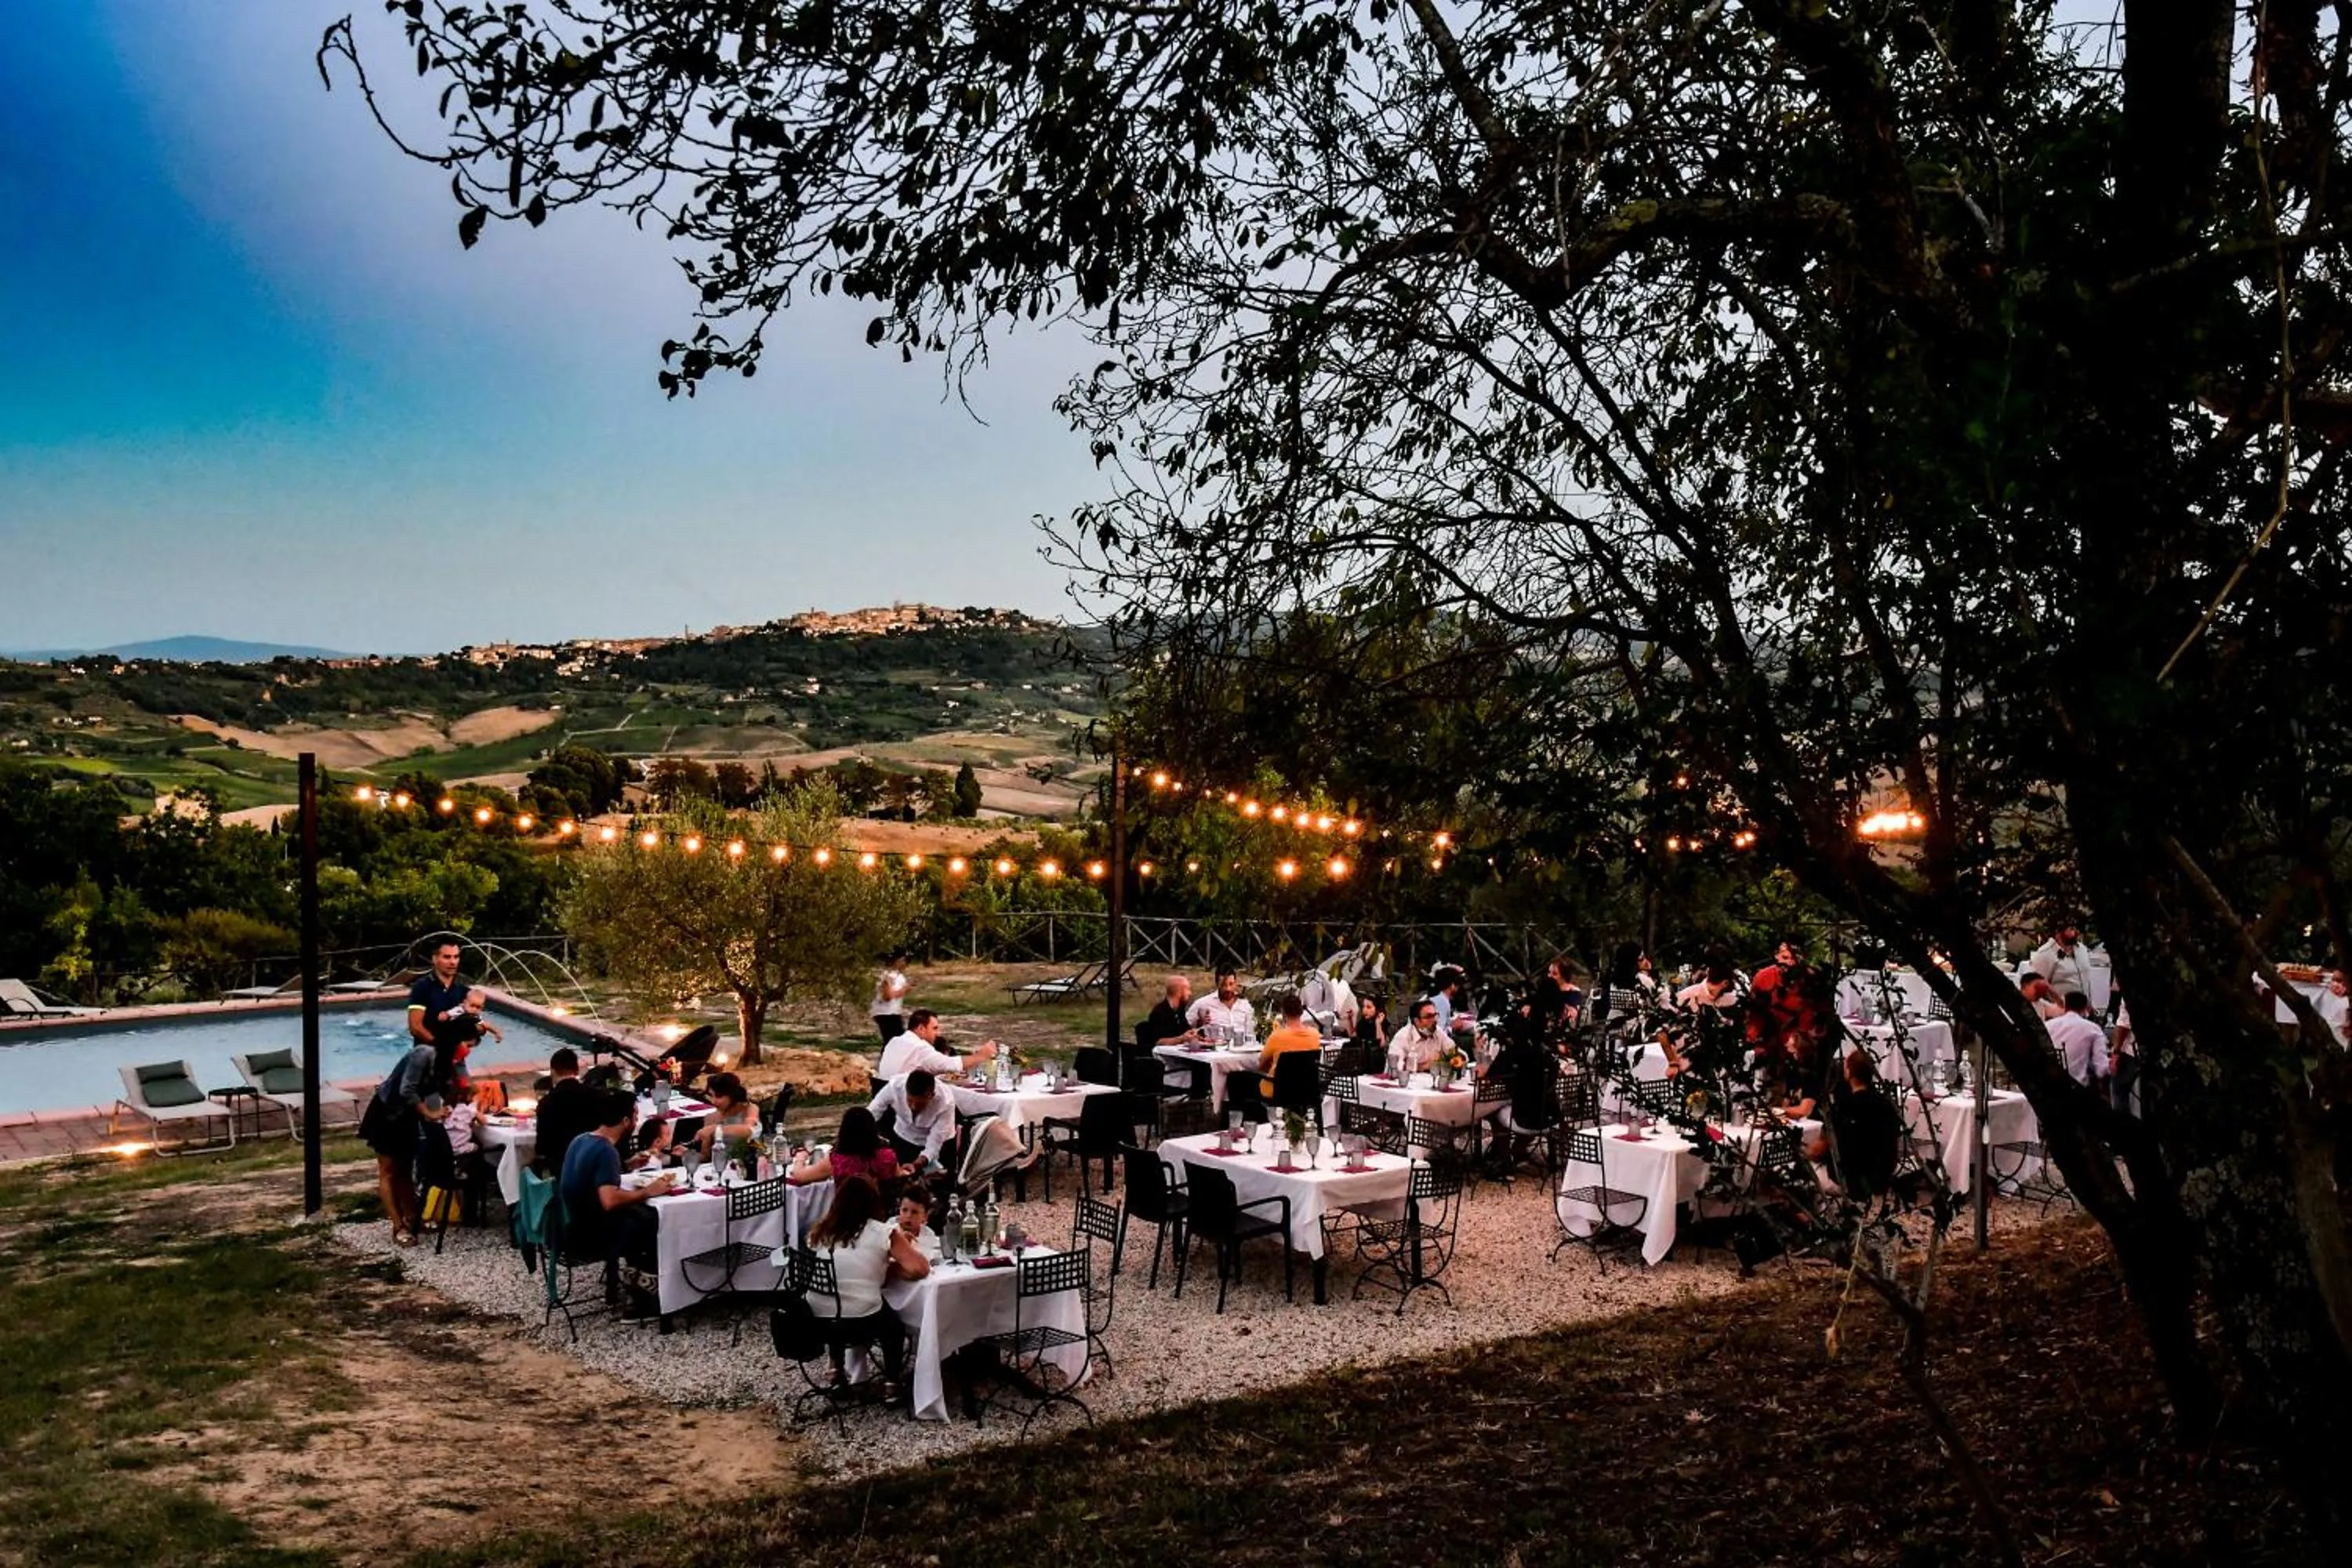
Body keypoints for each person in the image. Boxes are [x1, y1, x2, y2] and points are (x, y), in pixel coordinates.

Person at [805, 1176, 927, 1393]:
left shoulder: (824, 1230)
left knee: (838, 1295)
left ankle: (836, 1371)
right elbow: (919, 1268)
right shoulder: (881, 1232)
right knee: (894, 1325)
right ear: (873, 1201)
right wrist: (888, 1268)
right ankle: (891, 1382)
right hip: (861, 1319)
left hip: (818, 1318)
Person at [560, 1090, 672, 1315]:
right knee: (654, 1222)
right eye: (636, 1116)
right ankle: (643, 1299)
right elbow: (610, 1201)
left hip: (569, 1226)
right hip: (590, 1236)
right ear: (625, 1121)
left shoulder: (580, 1140)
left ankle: (633, 1286)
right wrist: (649, 1191)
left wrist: (627, 1165)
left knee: (641, 1215)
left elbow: (590, 1178)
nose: (637, 1121)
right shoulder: (606, 1151)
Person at [359, 1025, 459, 1246]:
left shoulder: (443, 1064)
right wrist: (429, 1112)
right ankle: (398, 1226)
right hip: (387, 1114)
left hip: (408, 1117)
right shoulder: (422, 1054)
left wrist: (440, 1112)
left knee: (405, 1168)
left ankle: (413, 1217)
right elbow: (407, 1090)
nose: (466, 1051)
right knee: (389, 1171)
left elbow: (432, 1091)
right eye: (466, 1044)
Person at [1806, 1050, 1903, 1202]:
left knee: (1801, 1168)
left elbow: (1817, 1150)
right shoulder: (1886, 1105)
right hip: (1880, 1179)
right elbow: (1895, 1145)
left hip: (1848, 1182)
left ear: (1849, 1072)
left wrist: (1803, 1151)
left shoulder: (1843, 1109)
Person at [866, 1069, 956, 1176]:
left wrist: (917, 1164)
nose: (913, 1107)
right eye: (909, 1101)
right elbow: (872, 1112)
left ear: (931, 1095)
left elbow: (934, 1144)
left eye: (919, 1104)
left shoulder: (946, 1101)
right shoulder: (895, 1087)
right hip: (904, 1136)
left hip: (941, 1144)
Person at [789, 1105, 902, 1186]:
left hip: (848, 1215)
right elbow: (899, 1176)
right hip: (882, 1213)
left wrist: (800, 1158)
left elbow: (801, 1176)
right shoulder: (888, 1156)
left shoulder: (837, 1160)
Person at [877, 1008, 998, 1080]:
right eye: (934, 1028)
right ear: (921, 1028)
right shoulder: (919, 1047)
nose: (938, 1033)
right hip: (905, 1103)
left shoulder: (894, 1041)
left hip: (888, 1098)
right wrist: (980, 1056)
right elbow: (950, 1064)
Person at [531, 1047, 592, 1177]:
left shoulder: (547, 1103)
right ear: (577, 1070)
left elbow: (542, 1146)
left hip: (562, 1168)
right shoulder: (596, 1095)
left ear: (552, 1071)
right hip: (593, 1162)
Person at [406, 938, 470, 1054]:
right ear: (435, 959)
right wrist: (440, 1045)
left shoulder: (463, 987)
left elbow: (472, 1022)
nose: (453, 962)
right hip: (425, 1055)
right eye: (447, 957)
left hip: (454, 1056)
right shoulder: (422, 987)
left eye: (456, 957)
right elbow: (415, 1027)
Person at [1256, 992, 1323, 1094]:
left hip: (1279, 1091)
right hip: (1305, 1090)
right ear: (1301, 1012)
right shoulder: (1315, 1035)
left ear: (1283, 1013)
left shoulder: (1277, 1036)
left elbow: (1261, 1066)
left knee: (1240, 1081)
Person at [2046, 991, 2111, 1088]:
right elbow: (2102, 1069)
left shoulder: (2047, 1025)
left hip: (2047, 1085)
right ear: (2085, 1009)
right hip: (2077, 1089)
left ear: (2064, 1006)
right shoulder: (2093, 1028)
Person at [691, 1071, 761, 1157]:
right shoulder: (710, 1117)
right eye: (711, 1096)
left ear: (732, 1095)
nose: (713, 1101)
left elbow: (749, 1130)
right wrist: (687, 1153)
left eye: (719, 1096)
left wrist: (715, 1128)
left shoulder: (749, 1109)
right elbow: (706, 1156)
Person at [1186, 970, 1255, 1042]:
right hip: (1214, 1050)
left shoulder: (1245, 1005)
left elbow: (1250, 1034)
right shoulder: (1203, 1003)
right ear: (1217, 984)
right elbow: (1184, 1028)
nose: (1228, 989)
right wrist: (1199, 1023)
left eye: (1231, 984)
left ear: (1235, 983)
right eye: (1223, 985)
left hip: (1241, 1050)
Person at [1388, 998, 1448, 1075]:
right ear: (1416, 1020)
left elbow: (1459, 1054)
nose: (1434, 1020)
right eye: (1429, 1016)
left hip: (1429, 1081)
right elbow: (1396, 1069)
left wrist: (1452, 1060)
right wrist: (1422, 1067)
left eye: (1435, 1015)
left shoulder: (1438, 1032)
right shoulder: (1403, 1036)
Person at [2027, 922, 2089, 998]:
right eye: (2071, 928)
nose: (2076, 931)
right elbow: (2035, 990)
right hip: (2061, 1008)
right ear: (2058, 930)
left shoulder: (2082, 949)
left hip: (2084, 1008)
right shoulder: (2044, 955)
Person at [1135, 975, 1196, 1048]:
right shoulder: (1160, 1012)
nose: (1190, 993)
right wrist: (1182, 1039)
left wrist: (1197, 1032)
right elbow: (1159, 1042)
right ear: (1180, 991)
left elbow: (1186, 1031)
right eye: (1188, 989)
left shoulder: (1180, 1010)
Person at [1532, 957, 1584, 1040]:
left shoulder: (1573, 992)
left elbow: (1573, 1012)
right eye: (1549, 973)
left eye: (1555, 974)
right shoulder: (1545, 990)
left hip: (1564, 1034)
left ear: (1564, 976)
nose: (1550, 976)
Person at [870, 951, 912, 1043]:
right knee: (894, 1040)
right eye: (903, 960)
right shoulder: (888, 976)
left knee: (893, 1040)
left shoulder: (898, 976)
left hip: (892, 1011)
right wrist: (904, 989)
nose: (905, 963)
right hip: (886, 1013)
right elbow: (887, 996)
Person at [895, 1187, 942, 1259]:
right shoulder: (890, 1232)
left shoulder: (928, 1234)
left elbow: (935, 1255)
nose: (908, 1216)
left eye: (914, 1212)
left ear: (925, 1216)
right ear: (899, 1210)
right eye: (904, 1210)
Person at [1675, 965, 1740, 1013]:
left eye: (1712, 991)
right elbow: (1678, 999)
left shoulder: (1732, 995)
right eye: (1710, 991)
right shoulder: (1693, 992)